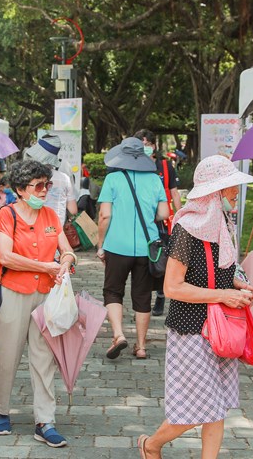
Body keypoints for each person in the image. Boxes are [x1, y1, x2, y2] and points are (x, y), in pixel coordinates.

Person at [137, 155, 253, 459]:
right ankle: (151, 445)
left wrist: (238, 284)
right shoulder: (187, 230)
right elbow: (172, 287)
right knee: (196, 410)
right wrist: (222, 295)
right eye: (230, 186)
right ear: (214, 192)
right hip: (192, 330)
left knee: (215, 408)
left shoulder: (223, 225)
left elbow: (221, 271)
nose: (235, 192)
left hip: (220, 330)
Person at [0, 159, 77, 447]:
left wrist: (65, 261)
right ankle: (1, 409)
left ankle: (45, 421)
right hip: (13, 293)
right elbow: (6, 256)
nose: (44, 191)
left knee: (44, 359)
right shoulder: (6, 215)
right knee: (8, 355)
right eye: (38, 186)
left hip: (46, 296)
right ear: (20, 190)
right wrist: (45, 266)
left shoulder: (51, 216)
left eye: (46, 185)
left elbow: (66, 250)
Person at [96, 137, 170, 360]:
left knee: (112, 291)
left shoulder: (112, 179)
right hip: (147, 249)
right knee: (142, 296)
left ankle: (118, 335)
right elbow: (165, 214)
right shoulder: (155, 180)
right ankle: (141, 347)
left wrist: (101, 245)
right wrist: (149, 217)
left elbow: (104, 215)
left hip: (117, 246)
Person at [135, 129, 183, 317]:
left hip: (162, 221)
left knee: (161, 258)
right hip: (142, 221)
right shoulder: (134, 167)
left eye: (148, 144)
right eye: (141, 145)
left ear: (154, 146)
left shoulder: (164, 166)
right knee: (143, 260)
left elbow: (174, 192)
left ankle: (161, 295)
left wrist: (180, 217)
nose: (145, 148)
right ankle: (145, 295)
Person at [24, 135, 77, 231]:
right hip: (57, 228)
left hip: (34, 228)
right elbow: (73, 210)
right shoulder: (64, 177)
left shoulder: (31, 177)